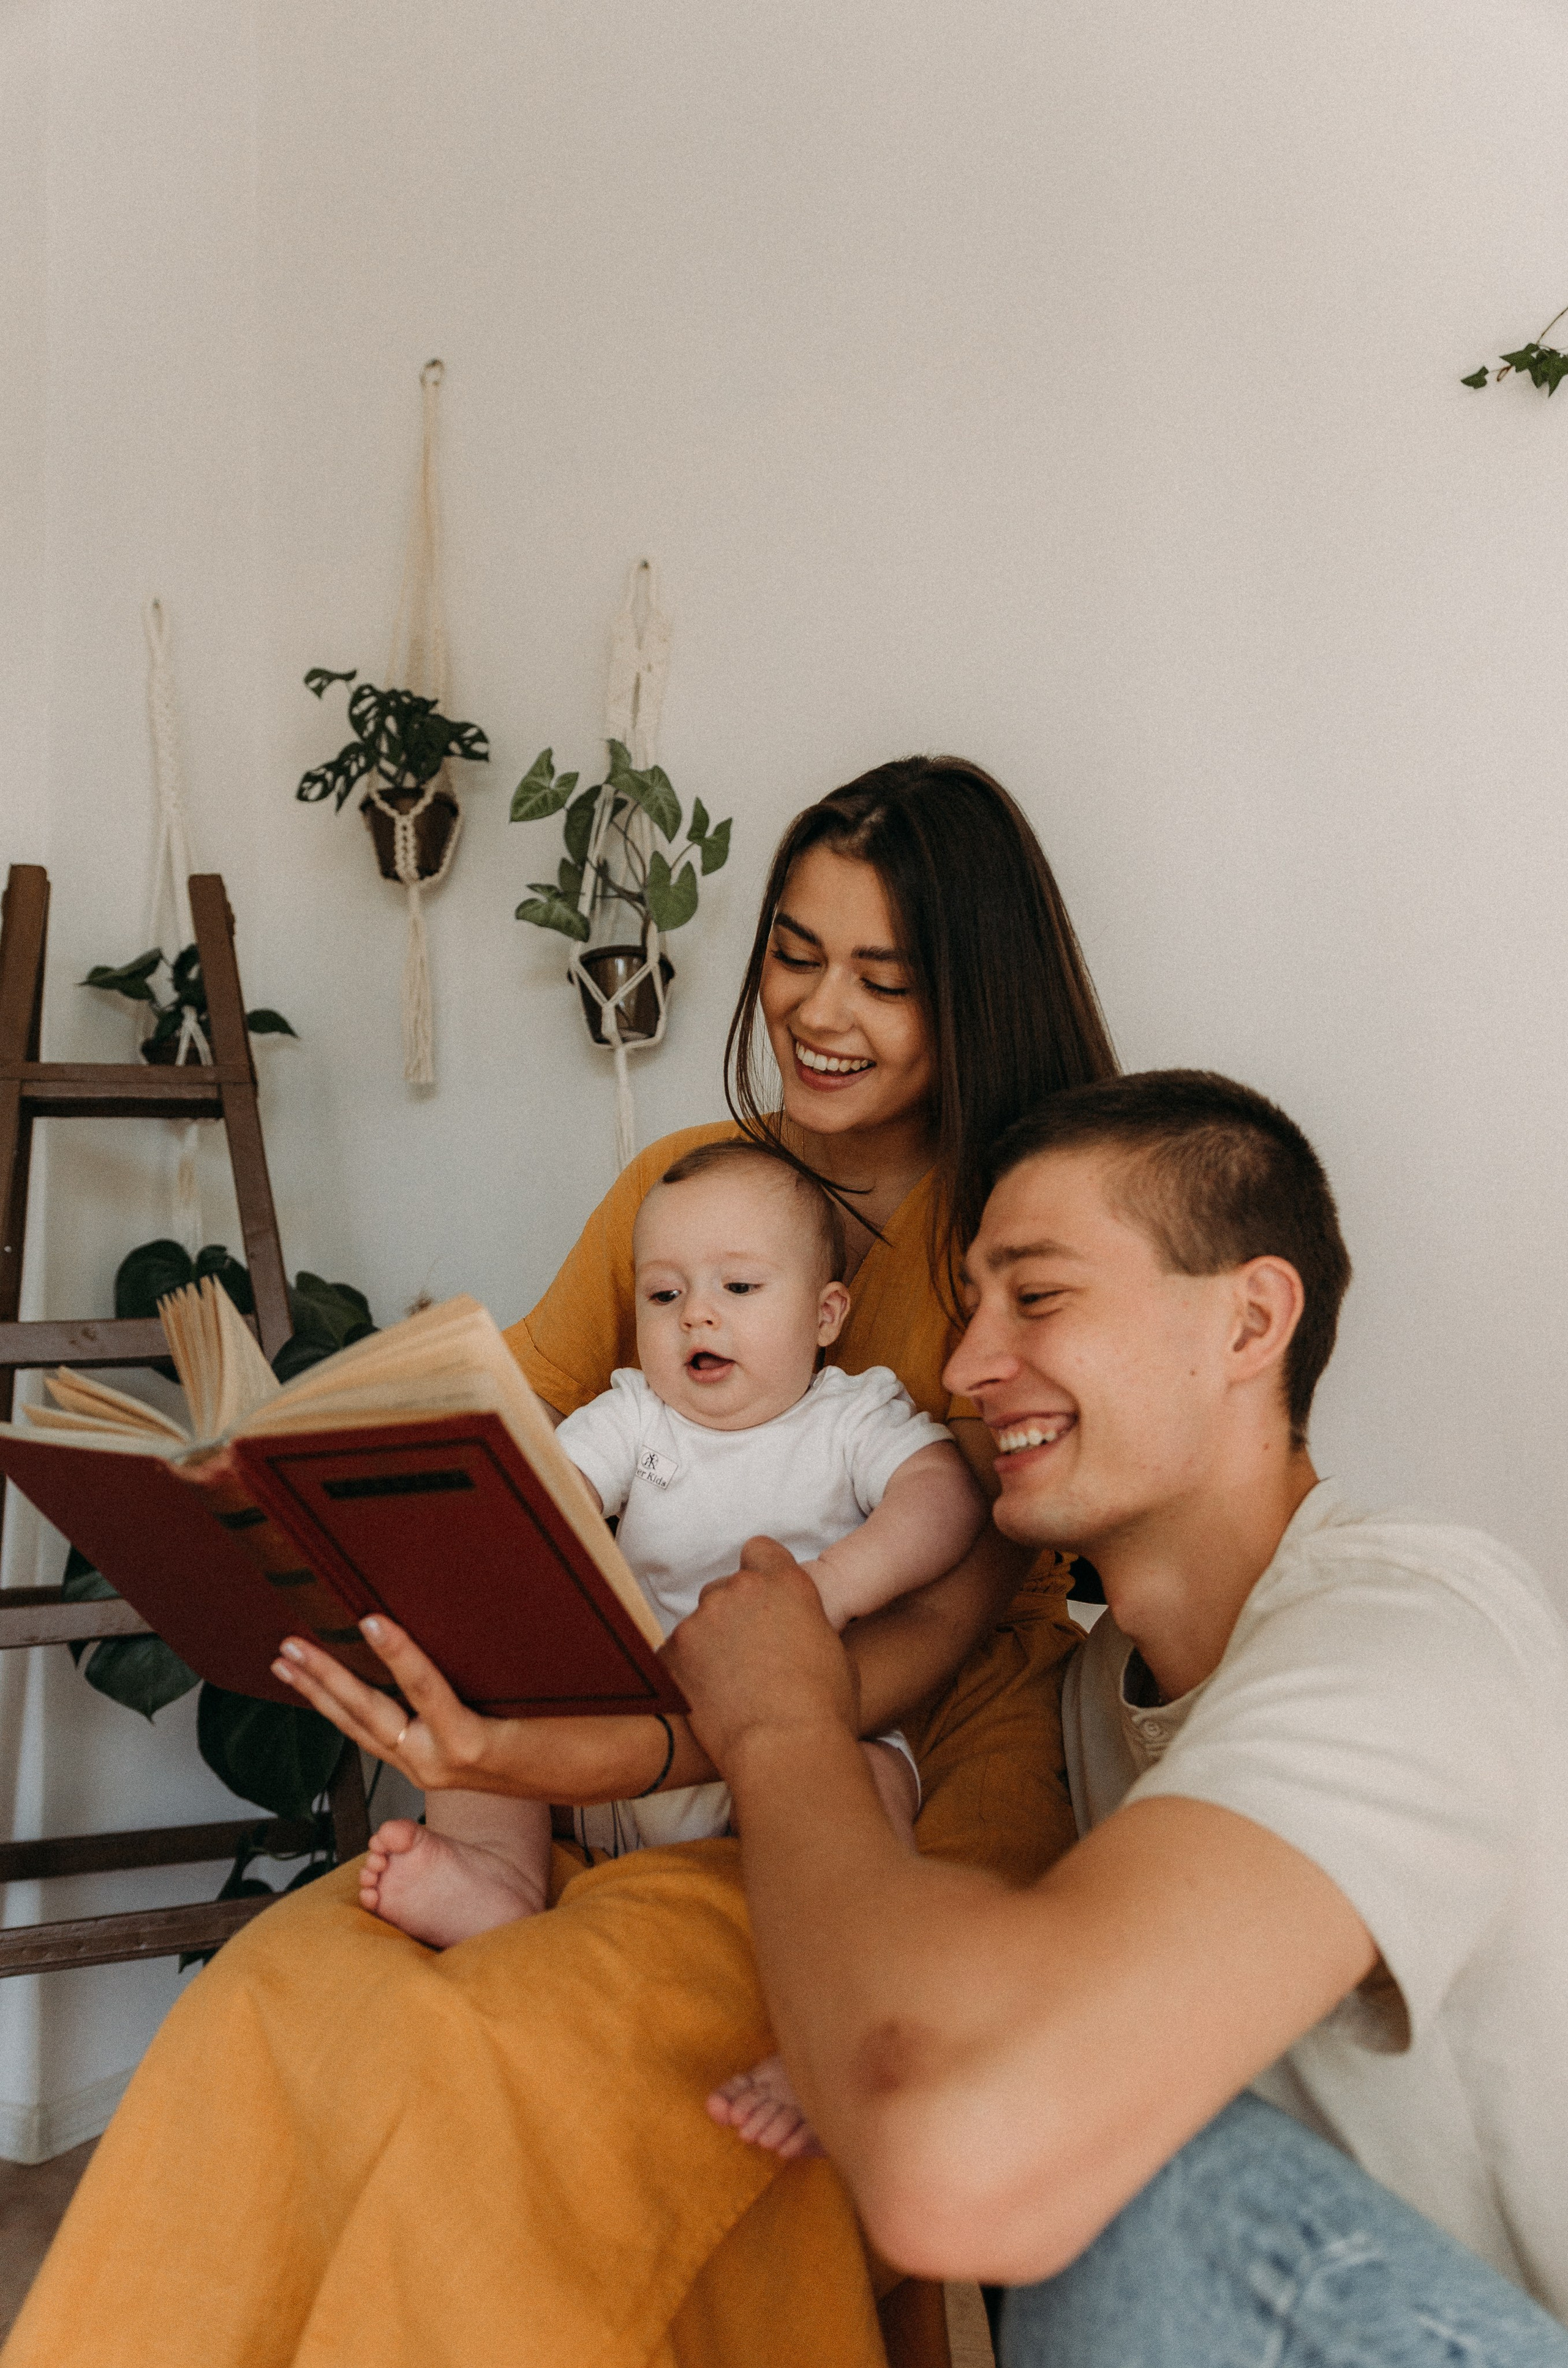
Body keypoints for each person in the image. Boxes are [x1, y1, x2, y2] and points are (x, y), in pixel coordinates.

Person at [4, 755, 1117, 2368]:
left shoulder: (1014, 1234)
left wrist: (728, 1716)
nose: (820, 1008)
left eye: (884, 975)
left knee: (525, 2060)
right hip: (624, 1724)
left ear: (971, 993)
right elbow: (509, 1405)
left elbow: (954, 1568)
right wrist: (287, 1474)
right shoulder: (684, 1191)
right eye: (796, 953)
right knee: (277, 2000)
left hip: (879, 1755)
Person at [664, 1070, 1568, 2363]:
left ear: (1249, 1320)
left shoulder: (1411, 1624)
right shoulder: (1092, 1696)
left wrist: (779, 1731)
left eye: (1034, 1296)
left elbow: (965, 2161)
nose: (964, 1366)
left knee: (1108, 2137)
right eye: (971, 1305)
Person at [360, 1138, 985, 1946]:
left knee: (869, 1778)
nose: (698, 1312)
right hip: (625, 1742)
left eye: (739, 1286)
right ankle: (496, 1871)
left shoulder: (851, 1415)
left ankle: (849, 1955)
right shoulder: (638, 1411)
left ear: (825, 1314)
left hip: (799, 1728)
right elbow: (551, 1491)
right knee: (490, 1690)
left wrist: (834, 1584)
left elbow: (946, 1497)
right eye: (663, 1294)